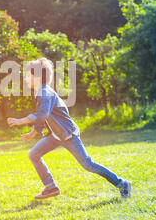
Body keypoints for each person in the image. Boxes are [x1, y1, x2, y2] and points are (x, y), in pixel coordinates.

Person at [7, 58, 131, 200]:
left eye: (28, 75)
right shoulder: (40, 93)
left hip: (68, 135)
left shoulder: (45, 92)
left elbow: (42, 114)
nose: (26, 78)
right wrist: (32, 133)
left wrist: (20, 121)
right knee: (34, 154)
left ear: (38, 77)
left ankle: (122, 183)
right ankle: (51, 187)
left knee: (87, 164)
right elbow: (43, 119)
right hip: (55, 135)